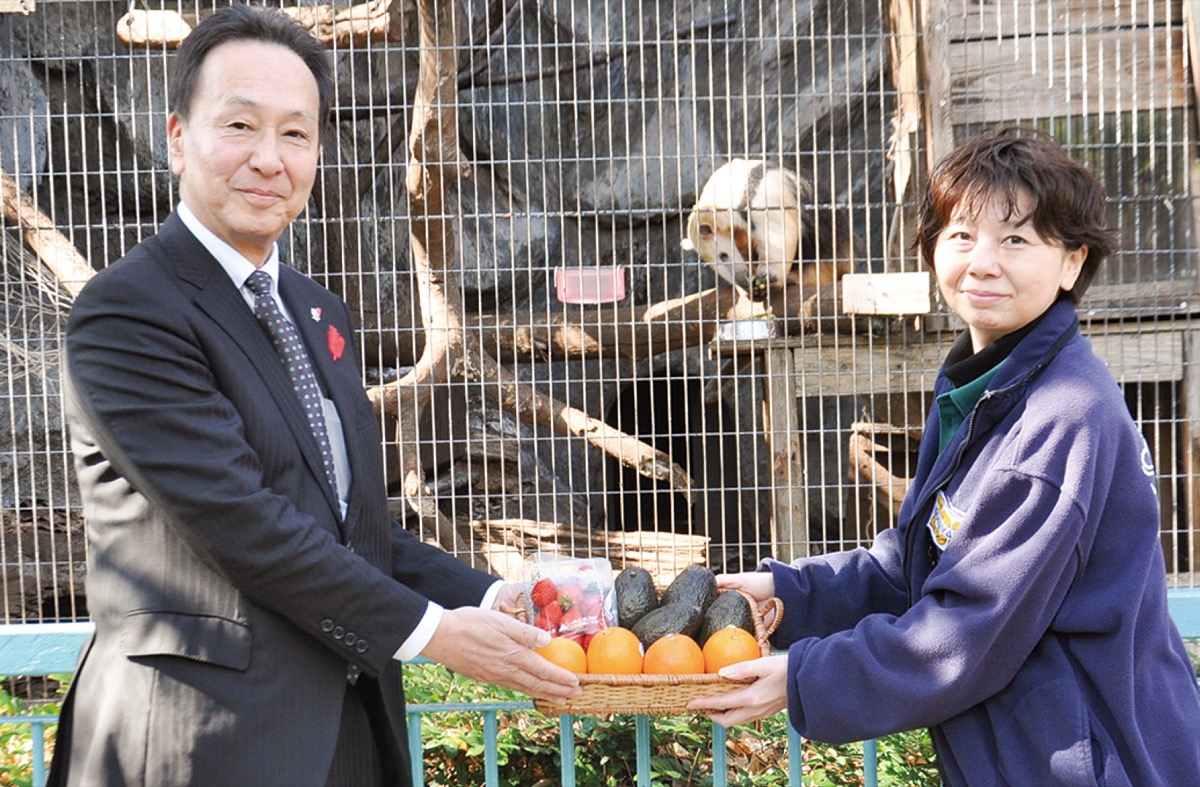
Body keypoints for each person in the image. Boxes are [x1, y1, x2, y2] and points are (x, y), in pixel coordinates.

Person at [48, 5, 579, 786]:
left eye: (295, 134)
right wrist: (434, 632)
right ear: (176, 136)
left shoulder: (318, 312)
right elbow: (247, 524)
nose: (269, 158)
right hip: (199, 742)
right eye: (240, 125)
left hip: (352, 736)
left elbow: (351, 526)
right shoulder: (128, 312)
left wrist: (495, 594)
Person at [689, 130, 1200, 784]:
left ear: (1072, 261)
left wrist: (804, 676)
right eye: (961, 235)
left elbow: (966, 631)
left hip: (1098, 763)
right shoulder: (983, 387)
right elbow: (919, 558)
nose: (982, 261)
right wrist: (790, 591)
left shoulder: (1062, 416)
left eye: (1015, 239)